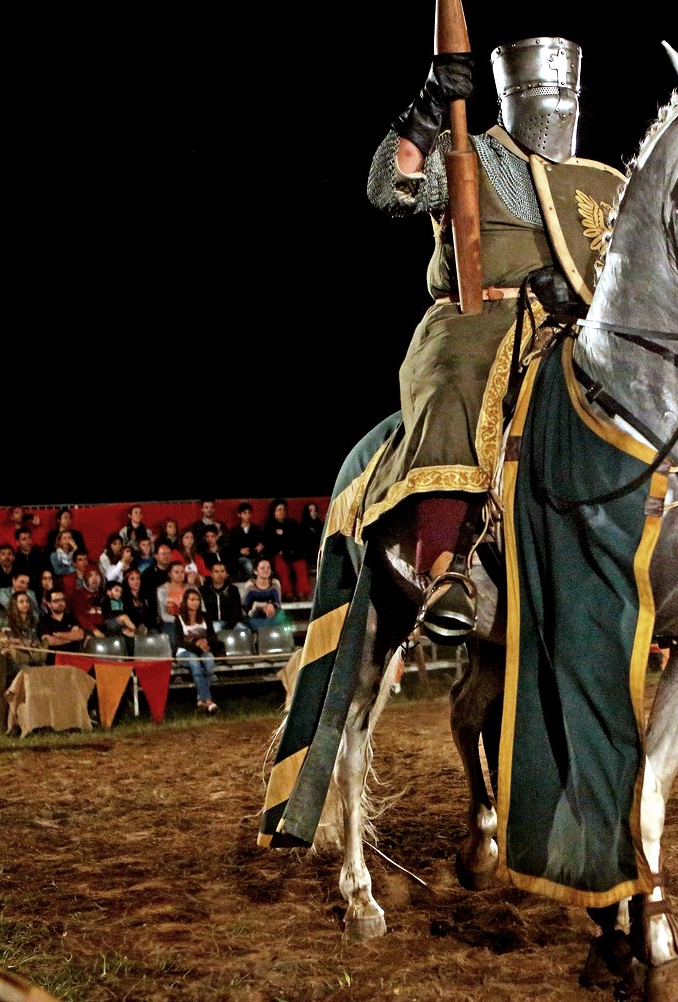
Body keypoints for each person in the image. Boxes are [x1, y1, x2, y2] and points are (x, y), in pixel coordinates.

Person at [357, 36, 622, 645]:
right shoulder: (468, 156)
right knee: (455, 376)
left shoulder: (601, 183)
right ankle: (445, 564)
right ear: (514, 97)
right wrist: (429, 106)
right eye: (544, 96)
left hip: (574, 326)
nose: (556, 111)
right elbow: (390, 188)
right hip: (478, 320)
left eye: (566, 97)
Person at [0, 590, 44, 731]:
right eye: (21, 602)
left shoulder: (33, 619)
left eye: (27, 601)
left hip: (31, 656)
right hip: (12, 658)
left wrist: (30, 644)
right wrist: (18, 641)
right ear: (14, 604)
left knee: (44, 669)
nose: (25, 604)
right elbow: (1, 639)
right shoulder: (5, 619)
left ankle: (40, 717)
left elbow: (35, 639)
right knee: (26, 672)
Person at [170, 588, 218, 713]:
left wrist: (206, 642)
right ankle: (207, 700)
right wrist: (196, 645)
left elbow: (213, 636)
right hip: (184, 652)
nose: (195, 602)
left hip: (202, 650)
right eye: (192, 599)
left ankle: (201, 699)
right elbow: (179, 641)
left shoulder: (205, 616)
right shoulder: (179, 619)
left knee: (209, 662)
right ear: (185, 601)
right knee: (194, 662)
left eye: (197, 600)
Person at [265, 498, 313, 602]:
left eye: (283, 509)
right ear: (273, 511)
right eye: (279, 510)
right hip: (278, 553)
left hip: (293, 553)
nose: (282, 512)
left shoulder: (291, 523)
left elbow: (296, 538)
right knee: (281, 566)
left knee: (301, 564)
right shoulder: (269, 525)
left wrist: (283, 534)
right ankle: (287, 593)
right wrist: (284, 538)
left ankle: (302, 592)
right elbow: (270, 542)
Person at [38, 590, 86, 657]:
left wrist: (59, 634)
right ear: (49, 604)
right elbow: (49, 641)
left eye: (62, 600)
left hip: (74, 657)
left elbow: (80, 635)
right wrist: (71, 637)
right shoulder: (44, 621)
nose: (60, 603)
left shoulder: (72, 618)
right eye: (56, 601)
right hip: (54, 659)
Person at [242, 558, 285, 630]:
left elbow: (277, 603)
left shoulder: (275, 583)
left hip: (271, 615)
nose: (266, 570)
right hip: (254, 616)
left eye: (268, 568)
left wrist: (271, 606)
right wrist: (264, 607)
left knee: (281, 615)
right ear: (256, 571)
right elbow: (246, 608)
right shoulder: (250, 586)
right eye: (262, 568)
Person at [202, 561, 245, 631]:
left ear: (226, 573)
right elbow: (203, 612)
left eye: (222, 571)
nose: (220, 574)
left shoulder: (233, 589)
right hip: (211, 623)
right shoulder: (204, 590)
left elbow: (237, 611)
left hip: (230, 623)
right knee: (216, 627)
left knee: (245, 630)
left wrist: (228, 627)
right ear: (211, 574)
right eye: (216, 571)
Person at [226, 503, 264, 581]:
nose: (247, 515)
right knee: (248, 566)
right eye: (244, 513)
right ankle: (254, 583)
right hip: (241, 558)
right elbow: (231, 547)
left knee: (261, 566)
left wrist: (261, 545)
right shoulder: (234, 531)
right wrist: (240, 551)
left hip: (255, 556)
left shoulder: (256, 529)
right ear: (239, 515)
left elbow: (263, 541)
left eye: (249, 513)